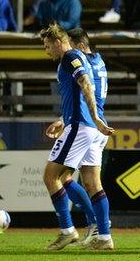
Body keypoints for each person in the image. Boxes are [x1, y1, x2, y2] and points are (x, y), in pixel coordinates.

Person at [39, 24, 114, 251]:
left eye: (47, 46)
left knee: (51, 177)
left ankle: (67, 230)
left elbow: (85, 84)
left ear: (58, 42)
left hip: (81, 126)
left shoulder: (70, 56)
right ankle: (104, 236)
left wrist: (94, 117)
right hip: (89, 127)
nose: (46, 51)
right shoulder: (82, 56)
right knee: (92, 183)